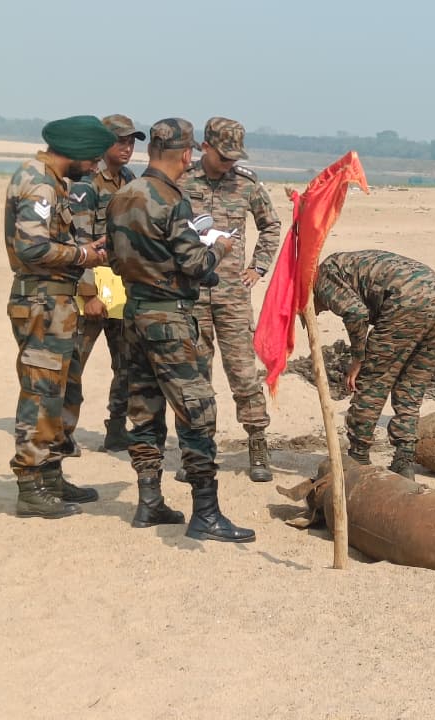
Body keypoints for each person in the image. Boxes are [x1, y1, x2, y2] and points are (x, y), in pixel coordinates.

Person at [107, 118, 254, 542]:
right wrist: (220, 248)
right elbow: (195, 263)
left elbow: (114, 260)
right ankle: (206, 513)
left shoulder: (123, 195)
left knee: (144, 409)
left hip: (134, 316)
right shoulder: (172, 201)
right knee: (196, 411)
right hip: (170, 319)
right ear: (187, 154)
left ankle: (149, 501)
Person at [4, 115, 117, 519]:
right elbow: (33, 248)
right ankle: (30, 485)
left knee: (62, 391)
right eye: (92, 158)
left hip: (56, 302)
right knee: (41, 392)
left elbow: (51, 241)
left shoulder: (53, 182)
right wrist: (84, 255)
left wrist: (86, 249)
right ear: (76, 151)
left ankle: (50, 476)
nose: (95, 165)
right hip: (41, 302)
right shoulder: (39, 182)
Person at [180, 117, 282, 482]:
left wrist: (258, 267)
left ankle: (257, 444)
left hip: (233, 297)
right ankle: (198, 452)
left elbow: (271, 225)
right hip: (191, 295)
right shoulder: (182, 182)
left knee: (243, 374)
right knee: (195, 377)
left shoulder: (246, 184)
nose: (229, 164)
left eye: (234, 158)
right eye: (223, 157)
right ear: (205, 147)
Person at [312, 250, 435, 479]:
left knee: (373, 381)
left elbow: (356, 313)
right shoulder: (341, 266)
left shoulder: (323, 278)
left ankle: (358, 455)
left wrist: (358, 358)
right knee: (413, 381)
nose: (318, 313)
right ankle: (404, 458)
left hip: (406, 300)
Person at [69, 114, 144, 452]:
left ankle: (116, 427)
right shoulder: (86, 183)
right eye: (120, 141)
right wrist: (89, 294)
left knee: (125, 362)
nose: (127, 148)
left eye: (131, 142)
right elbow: (80, 240)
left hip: (118, 284)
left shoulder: (129, 179)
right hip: (91, 283)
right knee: (74, 362)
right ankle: (62, 433)